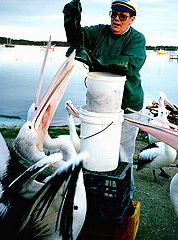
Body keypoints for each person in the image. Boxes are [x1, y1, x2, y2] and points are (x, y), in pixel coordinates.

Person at [63, 0, 146, 197]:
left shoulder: (137, 39)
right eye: (114, 14)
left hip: (128, 106)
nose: (117, 19)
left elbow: (131, 64)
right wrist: (71, 20)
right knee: (95, 151)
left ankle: (127, 194)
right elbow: (77, 39)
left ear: (131, 20)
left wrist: (94, 60)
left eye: (123, 16)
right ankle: (95, 192)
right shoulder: (98, 32)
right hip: (98, 105)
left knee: (123, 154)